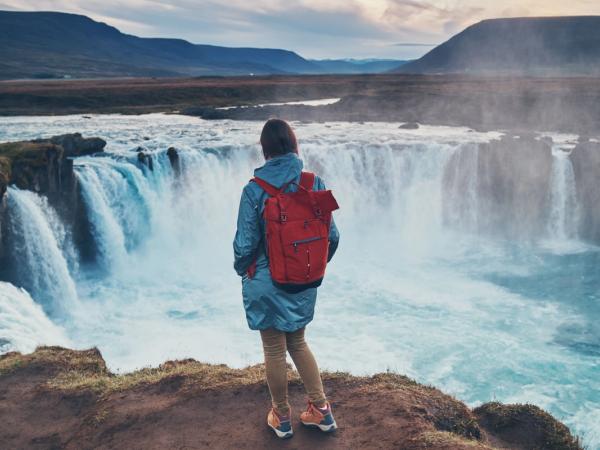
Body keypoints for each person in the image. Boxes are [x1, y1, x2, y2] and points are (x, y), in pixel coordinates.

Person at [233, 118, 340, 439]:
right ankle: (321, 411)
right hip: (304, 277)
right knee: (298, 341)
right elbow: (332, 237)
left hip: (266, 281)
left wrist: (243, 269)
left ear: (264, 151)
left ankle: (281, 417)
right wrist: (313, 266)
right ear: (295, 145)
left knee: (274, 349)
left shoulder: (254, 190)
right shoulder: (314, 182)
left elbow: (245, 244)